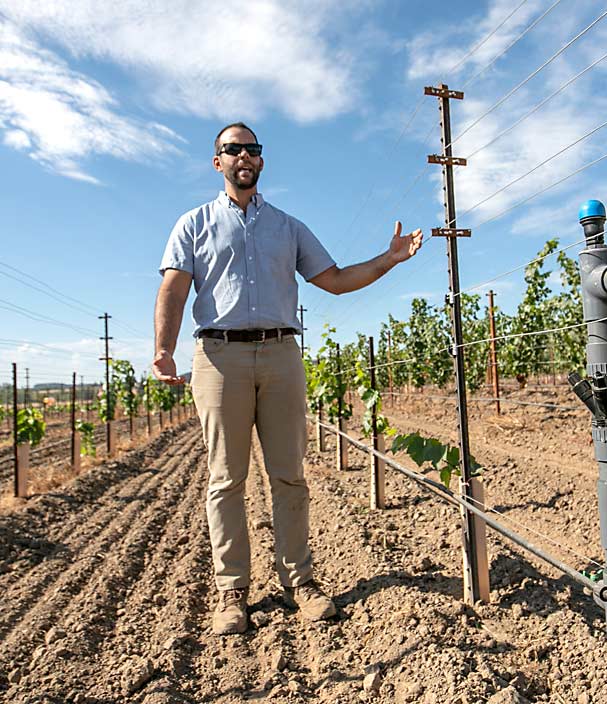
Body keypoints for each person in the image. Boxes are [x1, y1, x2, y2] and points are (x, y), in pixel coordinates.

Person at [152, 122, 423, 635]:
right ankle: (232, 593)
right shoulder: (192, 224)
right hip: (218, 357)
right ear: (218, 162)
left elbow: (337, 281)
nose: (243, 157)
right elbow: (174, 288)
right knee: (226, 479)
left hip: (281, 354)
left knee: (289, 475)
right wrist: (163, 351)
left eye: (252, 149)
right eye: (232, 150)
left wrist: (390, 258)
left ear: (261, 161)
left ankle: (300, 583)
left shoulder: (288, 227)